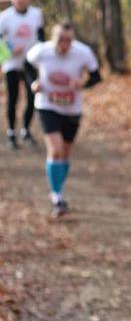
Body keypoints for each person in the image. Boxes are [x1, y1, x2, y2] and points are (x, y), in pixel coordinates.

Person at [25, 21, 101, 217]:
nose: (64, 44)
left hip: (72, 108)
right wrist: (33, 83)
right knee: (56, 149)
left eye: (68, 40)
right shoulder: (42, 51)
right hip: (47, 105)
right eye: (60, 39)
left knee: (66, 153)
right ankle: (57, 197)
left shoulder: (83, 52)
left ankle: (58, 187)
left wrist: (82, 83)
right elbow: (26, 64)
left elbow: (96, 76)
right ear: (53, 37)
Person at [0, 0, 45, 149]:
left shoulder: (36, 14)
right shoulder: (4, 17)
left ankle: (26, 129)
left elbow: (41, 36)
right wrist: (10, 49)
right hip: (12, 62)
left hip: (30, 61)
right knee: (13, 98)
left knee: (32, 95)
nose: (20, 0)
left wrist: (40, 52)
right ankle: (11, 132)